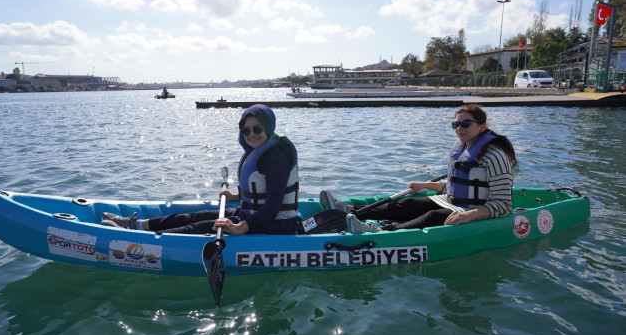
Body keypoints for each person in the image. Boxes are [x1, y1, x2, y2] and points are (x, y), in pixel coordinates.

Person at [101, 104, 299, 235]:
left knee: (201, 226)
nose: (251, 135)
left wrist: (242, 227)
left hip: (275, 224)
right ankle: (136, 225)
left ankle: (140, 238)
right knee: (196, 216)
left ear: (268, 127)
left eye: (257, 129)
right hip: (250, 215)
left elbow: (273, 205)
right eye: (246, 130)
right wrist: (234, 196)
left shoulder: (276, 157)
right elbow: (260, 191)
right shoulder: (259, 151)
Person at [321, 104, 518, 234]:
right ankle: (346, 209)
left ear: (482, 127)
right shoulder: (464, 148)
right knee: (408, 204)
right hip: (452, 202)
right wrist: (425, 185)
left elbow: (503, 204)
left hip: (475, 212)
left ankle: (380, 233)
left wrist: (470, 215)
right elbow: (453, 184)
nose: (459, 128)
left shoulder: (495, 155)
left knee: (432, 217)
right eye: (455, 124)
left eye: (465, 123)